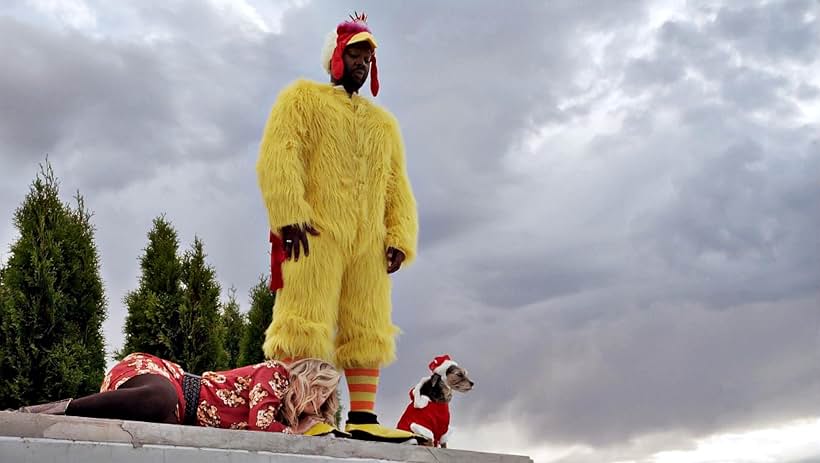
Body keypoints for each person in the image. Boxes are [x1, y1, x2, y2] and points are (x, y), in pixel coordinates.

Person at [256, 12, 419, 442]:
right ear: (335, 57)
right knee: (305, 318)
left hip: (368, 240)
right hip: (315, 234)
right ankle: (303, 411)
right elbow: (280, 152)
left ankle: (363, 417)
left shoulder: (384, 125)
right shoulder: (302, 100)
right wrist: (289, 214)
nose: (363, 63)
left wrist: (399, 236)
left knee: (367, 323)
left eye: (369, 57)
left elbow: (395, 182)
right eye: (355, 54)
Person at [17, 352, 343, 436]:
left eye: (325, 397)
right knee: (161, 400)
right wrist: (298, 431)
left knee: (166, 440)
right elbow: (260, 424)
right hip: (166, 381)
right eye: (317, 389)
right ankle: (54, 409)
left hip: (178, 418)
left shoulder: (284, 418)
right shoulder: (276, 374)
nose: (317, 401)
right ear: (304, 377)